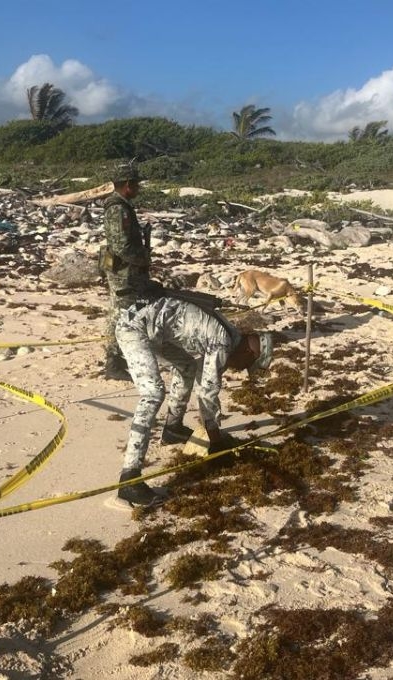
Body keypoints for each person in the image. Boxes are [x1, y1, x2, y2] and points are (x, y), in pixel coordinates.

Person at [112, 295, 273, 507]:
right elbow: (207, 391)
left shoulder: (230, 335)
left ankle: (172, 429)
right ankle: (129, 480)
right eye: (246, 365)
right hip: (134, 327)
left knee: (187, 366)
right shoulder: (222, 342)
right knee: (153, 393)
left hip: (153, 327)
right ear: (249, 352)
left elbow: (202, 376)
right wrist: (216, 443)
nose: (241, 369)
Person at [100, 161, 156, 382]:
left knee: (129, 313)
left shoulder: (122, 206)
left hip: (126, 271)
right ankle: (114, 362)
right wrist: (143, 259)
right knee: (122, 315)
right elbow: (121, 246)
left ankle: (121, 357)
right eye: (136, 184)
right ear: (127, 185)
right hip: (124, 273)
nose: (138, 189)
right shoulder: (118, 208)